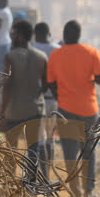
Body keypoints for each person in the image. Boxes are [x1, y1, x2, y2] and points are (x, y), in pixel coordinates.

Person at [47, 20, 100, 197]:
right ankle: (89, 191)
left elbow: (50, 82)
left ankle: (75, 192)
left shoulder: (56, 55)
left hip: (65, 109)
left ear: (64, 36)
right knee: (89, 150)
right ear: (79, 35)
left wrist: (60, 97)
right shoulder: (91, 52)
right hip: (89, 109)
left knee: (69, 151)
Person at [1, 20, 47, 179]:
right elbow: (46, 85)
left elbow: (7, 86)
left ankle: (9, 181)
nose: (12, 36)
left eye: (13, 33)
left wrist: (2, 113)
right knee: (33, 148)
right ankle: (31, 183)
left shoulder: (10, 56)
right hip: (36, 109)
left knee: (11, 148)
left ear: (20, 36)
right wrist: (34, 93)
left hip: (14, 111)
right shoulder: (41, 57)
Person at [33, 22, 61, 168]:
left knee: (39, 138)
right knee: (50, 137)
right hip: (54, 99)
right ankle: (49, 169)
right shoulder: (58, 50)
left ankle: (41, 173)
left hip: (37, 100)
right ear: (49, 33)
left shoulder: (32, 50)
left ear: (35, 35)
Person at [0, 0, 13, 72]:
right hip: (6, 41)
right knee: (5, 67)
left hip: (1, 42)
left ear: (3, 2)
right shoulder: (8, 11)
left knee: (0, 68)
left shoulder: (2, 12)